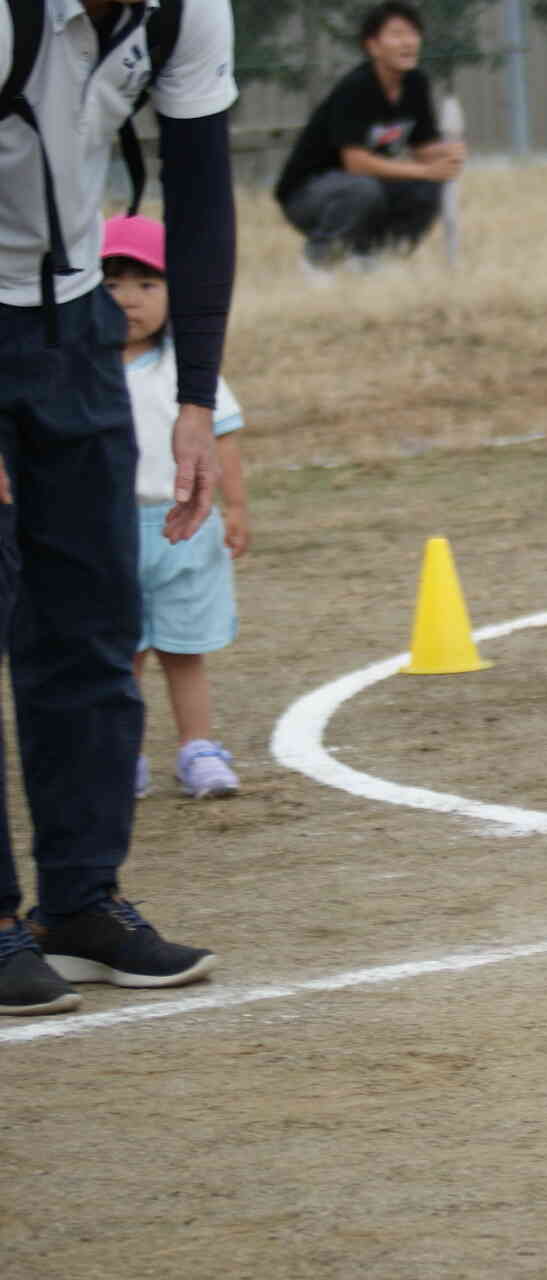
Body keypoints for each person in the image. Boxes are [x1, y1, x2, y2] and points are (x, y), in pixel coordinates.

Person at [0, 0, 234, 1016]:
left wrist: (194, 399)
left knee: (93, 618)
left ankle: (79, 903)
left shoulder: (186, 12)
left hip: (79, 322)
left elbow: (201, 186)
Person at [101, 215, 249, 801]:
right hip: (106, 533)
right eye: (111, 285)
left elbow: (224, 438)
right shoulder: (80, 370)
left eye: (146, 285)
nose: (128, 300)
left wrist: (235, 508)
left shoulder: (188, 369)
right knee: (124, 656)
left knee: (183, 652)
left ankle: (198, 749)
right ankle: (122, 758)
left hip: (185, 532)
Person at [272, 1, 465, 273]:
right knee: (364, 188)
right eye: (397, 35)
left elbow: (422, 148)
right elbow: (356, 163)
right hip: (307, 194)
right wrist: (425, 170)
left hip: (361, 186)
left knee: (424, 190)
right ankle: (317, 260)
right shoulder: (356, 88)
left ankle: (371, 259)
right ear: (372, 46)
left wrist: (447, 153)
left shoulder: (415, 84)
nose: (408, 42)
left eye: (413, 34)